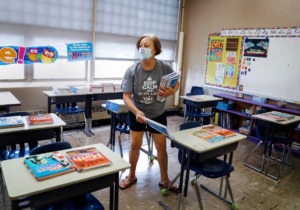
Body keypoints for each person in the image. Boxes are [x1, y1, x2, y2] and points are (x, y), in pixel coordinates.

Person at [119, 34, 180, 191]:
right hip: (137, 114)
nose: (142, 48)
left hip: (157, 113)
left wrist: (171, 91)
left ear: (156, 49)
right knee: (135, 144)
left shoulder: (165, 67)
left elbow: (176, 83)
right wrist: (137, 111)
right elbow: (126, 97)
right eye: (140, 45)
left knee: (161, 146)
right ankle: (131, 176)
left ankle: (165, 180)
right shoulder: (132, 70)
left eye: (146, 45)